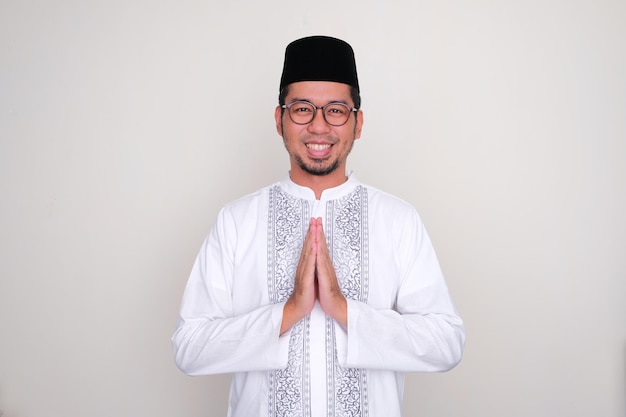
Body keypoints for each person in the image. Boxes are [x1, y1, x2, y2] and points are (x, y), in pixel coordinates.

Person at [172, 35, 466, 417]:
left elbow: (446, 343)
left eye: (336, 110)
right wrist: (289, 311)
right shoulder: (237, 221)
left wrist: (345, 311)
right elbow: (190, 347)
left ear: (357, 123)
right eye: (302, 109)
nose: (319, 126)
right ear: (279, 120)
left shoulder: (397, 219)